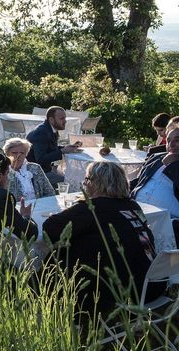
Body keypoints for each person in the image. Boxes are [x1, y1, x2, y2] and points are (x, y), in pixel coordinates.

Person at [44, 161, 165, 316]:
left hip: (127, 291)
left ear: (95, 183)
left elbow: (51, 228)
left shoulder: (92, 208)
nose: (85, 184)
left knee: (59, 255)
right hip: (154, 284)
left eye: (87, 179)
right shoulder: (132, 205)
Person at [130, 124, 179, 218]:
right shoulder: (156, 158)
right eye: (168, 140)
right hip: (136, 212)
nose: (171, 144)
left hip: (168, 222)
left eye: (177, 140)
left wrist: (173, 165)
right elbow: (138, 181)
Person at [26, 106, 81, 186]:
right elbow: (40, 159)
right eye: (62, 119)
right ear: (51, 120)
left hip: (45, 169)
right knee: (69, 183)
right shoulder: (41, 133)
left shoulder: (49, 129)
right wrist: (62, 151)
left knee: (71, 176)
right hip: (35, 174)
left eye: (65, 118)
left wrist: (67, 148)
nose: (65, 121)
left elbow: (49, 148)